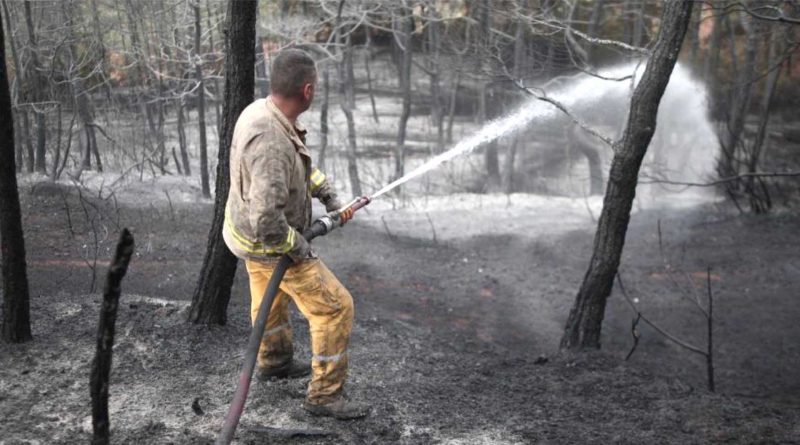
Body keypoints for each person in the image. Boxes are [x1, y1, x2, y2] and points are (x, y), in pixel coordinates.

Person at [222, 49, 368, 420]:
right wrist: (299, 247)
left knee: (268, 302)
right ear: (307, 90)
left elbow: (299, 167)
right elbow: (268, 222)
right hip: (269, 241)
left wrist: (331, 198)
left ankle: (274, 361)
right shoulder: (270, 140)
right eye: (315, 86)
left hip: (246, 239)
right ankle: (325, 397)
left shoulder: (263, 111)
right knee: (336, 308)